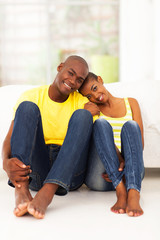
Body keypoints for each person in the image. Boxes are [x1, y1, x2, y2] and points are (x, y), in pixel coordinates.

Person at [2, 56, 99, 219]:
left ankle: (47, 192)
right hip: (37, 170)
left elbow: (89, 140)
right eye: (70, 73)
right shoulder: (31, 95)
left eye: (79, 80)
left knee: (83, 116)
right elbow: (9, 138)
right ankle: (21, 189)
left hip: (70, 175)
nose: (73, 81)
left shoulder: (83, 103)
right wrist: (5, 162)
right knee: (26, 108)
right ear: (60, 67)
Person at [79, 72, 145, 217]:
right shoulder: (93, 110)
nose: (95, 96)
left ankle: (133, 193)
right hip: (102, 176)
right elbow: (99, 144)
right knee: (100, 124)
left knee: (131, 126)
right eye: (89, 96)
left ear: (100, 80)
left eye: (95, 88)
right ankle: (120, 191)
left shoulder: (131, 102)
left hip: (131, 173)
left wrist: (125, 165)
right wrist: (118, 163)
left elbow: (139, 145)